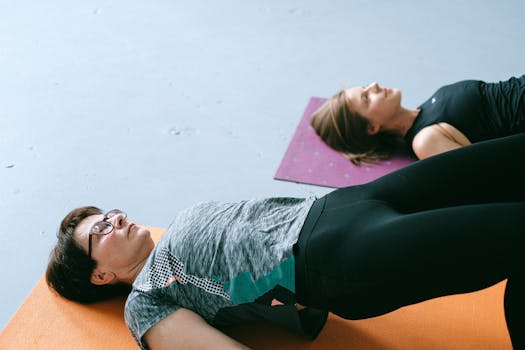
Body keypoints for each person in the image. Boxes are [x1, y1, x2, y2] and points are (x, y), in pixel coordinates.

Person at [46, 134, 525, 350]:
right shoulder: (145, 303)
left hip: (348, 203)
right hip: (334, 261)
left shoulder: (172, 232)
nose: (114, 219)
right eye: (99, 231)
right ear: (100, 275)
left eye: (108, 213)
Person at [311, 74, 525, 164]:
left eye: (366, 86)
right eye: (367, 97)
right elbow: (492, 170)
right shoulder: (424, 140)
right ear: (371, 127)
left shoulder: (427, 106)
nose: (374, 85)